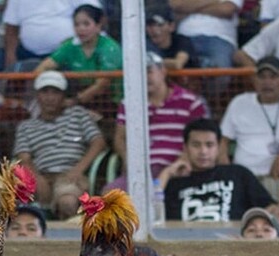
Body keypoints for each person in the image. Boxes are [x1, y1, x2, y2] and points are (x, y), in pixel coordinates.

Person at [105, 52, 208, 192]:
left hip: (178, 169)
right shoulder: (129, 103)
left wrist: (182, 162)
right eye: (139, 73)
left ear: (163, 71)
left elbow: (201, 136)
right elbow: (120, 138)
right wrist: (129, 161)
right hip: (140, 172)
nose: (144, 78)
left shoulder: (190, 101)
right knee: (110, 196)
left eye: (149, 72)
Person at [13, 70, 107, 220]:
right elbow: (24, 158)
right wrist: (37, 178)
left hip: (70, 175)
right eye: (45, 92)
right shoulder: (26, 126)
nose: (50, 98)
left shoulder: (78, 114)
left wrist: (78, 170)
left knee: (67, 202)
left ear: (63, 96)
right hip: (40, 175)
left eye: (55, 92)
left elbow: (98, 142)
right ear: (37, 95)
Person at [219, 56, 279, 201]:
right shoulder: (239, 102)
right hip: (241, 175)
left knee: (272, 213)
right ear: (254, 80)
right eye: (262, 77)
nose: (267, 82)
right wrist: (226, 169)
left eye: (273, 76)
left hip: (274, 175)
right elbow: (223, 140)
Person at [157, 118, 276, 221]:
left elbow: (270, 209)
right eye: (196, 145)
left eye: (209, 145)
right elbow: (150, 212)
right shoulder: (174, 183)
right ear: (185, 148)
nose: (203, 151)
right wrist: (167, 173)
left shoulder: (238, 174)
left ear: (219, 147)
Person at [34, 4, 123, 106]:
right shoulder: (70, 45)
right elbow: (43, 67)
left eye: (86, 24)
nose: (81, 29)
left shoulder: (110, 48)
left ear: (98, 26)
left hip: (111, 101)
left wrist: (74, 102)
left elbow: (102, 84)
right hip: (80, 97)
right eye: (76, 24)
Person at [2, 0, 101, 68]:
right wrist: (10, 57)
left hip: (69, 53)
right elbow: (11, 28)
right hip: (28, 54)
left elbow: (97, 15)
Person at [169, 0, 242, 79]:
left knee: (220, 74)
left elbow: (225, 10)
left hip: (220, 38)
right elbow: (175, 4)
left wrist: (188, 8)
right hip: (184, 36)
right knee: (173, 71)